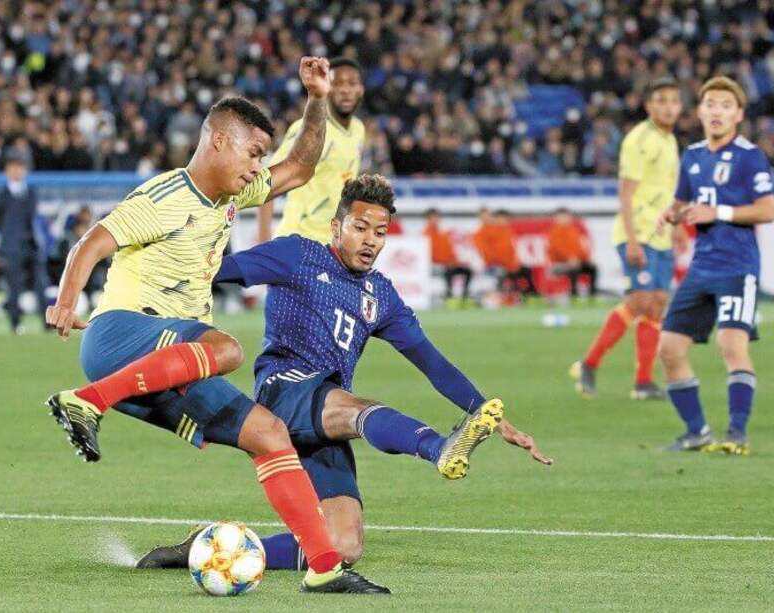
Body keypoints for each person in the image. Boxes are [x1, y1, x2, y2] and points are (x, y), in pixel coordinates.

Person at [44, 58, 388, 595]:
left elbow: (299, 166)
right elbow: (91, 243)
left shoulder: (231, 195)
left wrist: (317, 99)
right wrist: (67, 301)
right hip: (120, 339)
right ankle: (85, 401)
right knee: (226, 347)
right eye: (253, 153)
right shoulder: (166, 196)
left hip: (168, 364)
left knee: (270, 435)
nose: (258, 167)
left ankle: (324, 567)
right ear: (218, 143)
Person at [135, 175, 552, 572]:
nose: (370, 240)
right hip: (283, 390)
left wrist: (494, 419)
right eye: (360, 227)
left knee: (342, 546)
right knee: (357, 409)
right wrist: (144, 289)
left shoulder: (380, 295)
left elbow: (434, 364)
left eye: (380, 232)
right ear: (337, 226)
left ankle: (212, 550)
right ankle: (439, 448)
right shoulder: (297, 255)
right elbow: (216, 271)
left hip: (324, 416)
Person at [656, 76, 774, 456]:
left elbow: (768, 210)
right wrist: (671, 214)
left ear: (739, 114)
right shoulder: (691, 155)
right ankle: (697, 432)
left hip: (738, 267)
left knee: (731, 345)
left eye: (726, 105)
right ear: (701, 111)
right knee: (670, 349)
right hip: (701, 268)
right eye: (711, 104)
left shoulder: (750, 156)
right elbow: (683, 201)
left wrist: (719, 211)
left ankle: (737, 433)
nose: (717, 111)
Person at [570, 78, 683, 400]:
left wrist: (677, 230)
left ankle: (643, 382)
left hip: (661, 234)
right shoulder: (639, 140)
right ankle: (589, 363)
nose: (668, 106)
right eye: (660, 100)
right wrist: (632, 240)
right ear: (648, 105)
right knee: (642, 301)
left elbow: (666, 191)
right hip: (638, 233)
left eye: (673, 101)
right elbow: (626, 192)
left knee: (658, 305)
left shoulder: (670, 140)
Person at [257, 57, 365, 244]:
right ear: (327, 88)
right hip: (298, 241)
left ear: (361, 89)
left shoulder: (358, 129)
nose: (346, 90)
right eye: (337, 83)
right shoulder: (309, 129)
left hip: (333, 244)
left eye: (352, 83)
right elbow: (266, 182)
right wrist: (262, 243)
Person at [0, 154, 49, 334]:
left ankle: (47, 323)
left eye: (20, 167)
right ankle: (15, 323)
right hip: (12, 247)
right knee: (14, 287)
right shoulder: (1, 195)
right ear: (7, 171)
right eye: (13, 167)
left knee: (41, 284)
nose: (17, 171)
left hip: (31, 245)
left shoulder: (31, 193)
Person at [473, 208, 537, 302]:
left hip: (507, 264)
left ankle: (530, 296)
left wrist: (512, 263)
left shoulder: (506, 230)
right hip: (494, 264)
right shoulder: (483, 232)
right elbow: (487, 252)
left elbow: (510, 251)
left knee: (526, 271)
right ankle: (510, 297)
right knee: (507, 273)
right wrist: (503, 263)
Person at [423, 208, 473, 307]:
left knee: (467, 271)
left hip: (449, 263)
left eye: (437, 217)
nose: (436, 219)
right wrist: (445, 262)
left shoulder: (442, 234)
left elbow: (449, 251)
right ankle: (449, 297)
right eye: (433, 217)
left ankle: (464, 296)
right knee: (448, 272)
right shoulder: (426, 235)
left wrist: (455, 261)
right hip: (437, 264)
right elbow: (430, 254)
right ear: (428, 219)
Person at [545, 207, 597, 299]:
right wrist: (570, 258)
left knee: (592, 268)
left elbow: (580, 249)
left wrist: (584, 259)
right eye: (561, 217)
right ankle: (574, 295)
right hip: (558, 264)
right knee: (573, 269)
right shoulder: (553, 233)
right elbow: (557, 250)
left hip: (575, 261)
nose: (564, 219)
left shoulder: (573, 231)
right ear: (556, 218)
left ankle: (592, 295)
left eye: (566, 217)